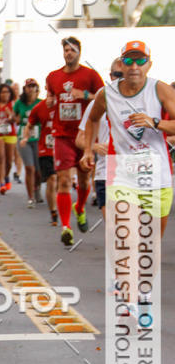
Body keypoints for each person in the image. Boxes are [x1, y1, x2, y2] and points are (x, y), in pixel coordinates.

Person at [83, 40, 175, 239]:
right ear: (120, 64)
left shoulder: (161, 90)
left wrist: (155, 122)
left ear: (149, 64)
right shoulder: (106, 94)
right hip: (122, 173)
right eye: (129, 61)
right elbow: (92, 120)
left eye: (140, 61)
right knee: (126, 241)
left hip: (157, 173)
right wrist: (88, 150)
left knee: (150, 247)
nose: (134, 67)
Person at [46, 36, 103, 246]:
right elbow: (50, 99)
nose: (69, 53)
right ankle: (66, 227)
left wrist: (85, 94)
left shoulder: (90, 75)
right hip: (62, 135)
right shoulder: (53, 76)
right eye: (66, 50)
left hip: (85, 134)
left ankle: (79, 207)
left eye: (73, 50)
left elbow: (103, 98)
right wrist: (50, 101)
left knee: (84, 179)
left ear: (80, 52)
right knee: (63, 180)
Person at [76, 59, 123, 221]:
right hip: (106, 172)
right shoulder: (101, 100)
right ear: (110, 76)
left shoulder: (144, 100)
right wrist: (93, 148)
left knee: (136, 232)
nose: (122, 78)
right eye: (117, 74)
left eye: (125, 74)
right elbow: (79, 139)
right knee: (115, 229)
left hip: (135, 172)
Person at [24, 94, 58, 224]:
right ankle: (53, 212)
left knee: (61, 182)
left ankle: (60, 203)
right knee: (52, 179)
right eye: (49, 93)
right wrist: (26, 138)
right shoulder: (39, 107)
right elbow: (29, 124)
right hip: (46, 149)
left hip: (62, 147)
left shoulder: (64, 104)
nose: (51, 97)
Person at [14, 79, 42, 207]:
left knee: (38, 170)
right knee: (29, 168)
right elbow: (15, 118)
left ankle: (37, 189)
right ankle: (30, 197)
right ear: (24, 89)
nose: (30, 89)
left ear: (37, 89)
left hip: (38, 138)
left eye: (33, 86)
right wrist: (17, 118)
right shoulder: (20, 103)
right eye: (28, 86)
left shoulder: (40, 103)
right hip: (23, 139)